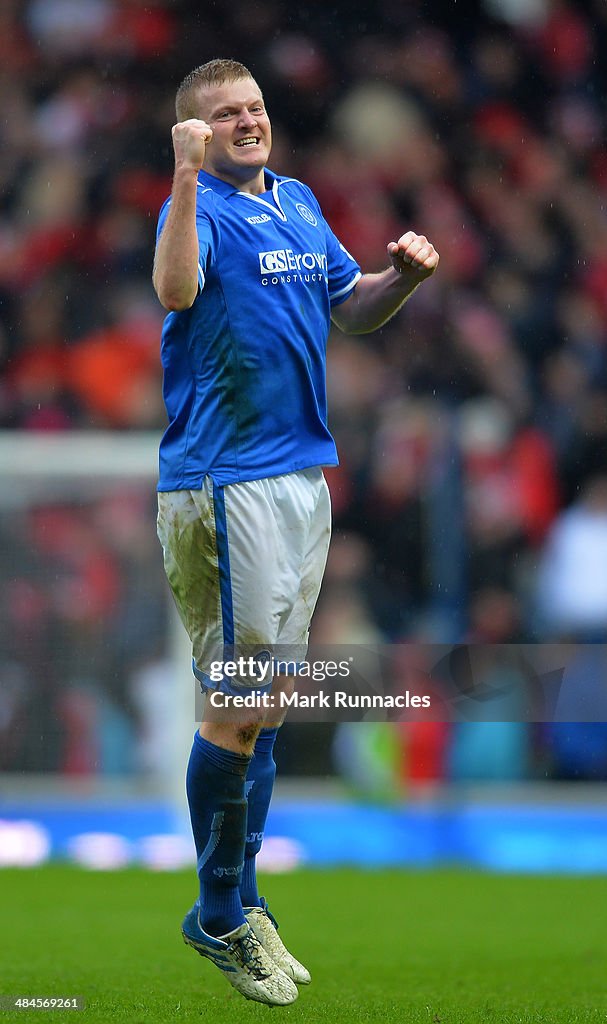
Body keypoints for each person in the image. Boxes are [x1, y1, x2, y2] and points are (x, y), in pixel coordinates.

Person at [153, 57, 439, 1007]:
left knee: (267, 703)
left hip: (296, 478)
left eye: (254, 109)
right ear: (195, 129)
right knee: (239, 703)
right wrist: (186, 177)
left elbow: (347, 309)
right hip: (226, 480)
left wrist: (397, 280)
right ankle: (219, 911)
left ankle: (240, 898)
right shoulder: (194, 204)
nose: (247, 121)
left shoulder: (297, 200)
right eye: (225, 114)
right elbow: (176, 289)